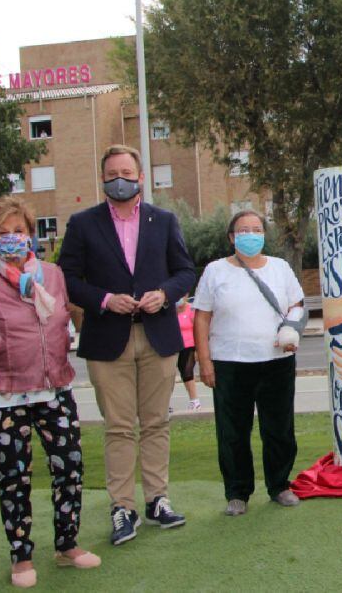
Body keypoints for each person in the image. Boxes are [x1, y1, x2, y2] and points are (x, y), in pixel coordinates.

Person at [0, 196, 101, 588]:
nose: (11, 239)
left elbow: (59, 323)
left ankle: (67, 544)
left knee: (69, 467)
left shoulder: (52, 275)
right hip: (3, 397)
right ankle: (21, 557)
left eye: (18, 231)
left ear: (30, 233)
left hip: (54, 389)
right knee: (14, 476)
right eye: (2, 233)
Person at [58, 145, 196, 545]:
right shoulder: (83, 223)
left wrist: (164, 294)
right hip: (107, 338)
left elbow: (185, 271)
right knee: (119, 428)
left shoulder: (164, 220)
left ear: (139, 176)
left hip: (158, 334)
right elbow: (68, 277)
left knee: (156, 423)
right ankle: (123, 507)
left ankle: (157, 499)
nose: (120, 178)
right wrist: (103, 299)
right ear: (103, 179)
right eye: (112, 172)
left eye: (127, 171)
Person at [193, 210, 306, 516]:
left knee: (279, 428)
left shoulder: (280, 268)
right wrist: (204, 361)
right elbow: (201, 317)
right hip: (230, 362)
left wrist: (290, 330)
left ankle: (279, 485)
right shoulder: (215, 271)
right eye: (244, 230)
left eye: (257, 229)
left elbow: (297, 305)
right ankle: (237, 492)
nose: (251, 235)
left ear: (264, 235)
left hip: (277, 362)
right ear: (231, 237)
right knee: (233, 432)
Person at [175, 295, 201, 410]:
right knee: (168, 375)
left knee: (187, 372)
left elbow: (198, 329)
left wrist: (198, 350)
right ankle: (166, 404)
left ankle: (194, 400)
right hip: (173, 346)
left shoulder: (191, 309)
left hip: (189, 346)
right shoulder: (170, 311)